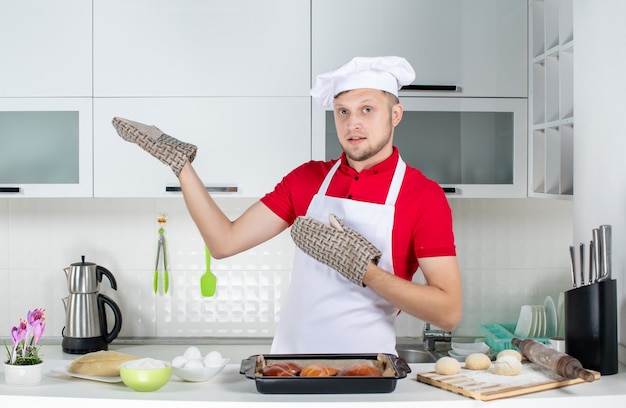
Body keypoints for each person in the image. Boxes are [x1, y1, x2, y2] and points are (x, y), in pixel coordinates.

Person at [112, 56, 462, 356]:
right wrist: (181, 166)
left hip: (367, 370)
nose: (352, 124)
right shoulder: (308, 179)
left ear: (395, 114)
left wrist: (365, 271)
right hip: (291, 365)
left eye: (367, 110)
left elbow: (448, 312)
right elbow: (223, 243)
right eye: (342, 112)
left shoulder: (422, 196)